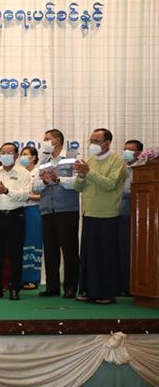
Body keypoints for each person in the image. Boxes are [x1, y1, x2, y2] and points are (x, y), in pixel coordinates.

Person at [73, 128, 127, 304]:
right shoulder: (89, 161)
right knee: (89, 256)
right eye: (91, 140)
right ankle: (89, 290)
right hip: (89, 212)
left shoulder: (117, 161)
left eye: (96, 141)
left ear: (107, 143)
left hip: (108, 214)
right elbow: (78, 187)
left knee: (106, 256)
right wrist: (81, 176)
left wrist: (88, 172)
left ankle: (107, 293)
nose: (92, 144)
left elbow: (110, 184)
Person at [32, 129, 80, 298]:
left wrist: (59, 179)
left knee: (69, 250)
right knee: (50, 250)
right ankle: (52, 287)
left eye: (47, 139)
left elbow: (79, 182)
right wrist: (45, 182)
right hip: (47, 210)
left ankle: (71, 287)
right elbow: (35, 186)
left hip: (67, 209)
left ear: (58, 140)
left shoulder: (73, 156)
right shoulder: (44, 161)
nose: (44, 142)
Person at [0, 142, 32, 300]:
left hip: (16, 216)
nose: (5, 156)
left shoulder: (24, 173)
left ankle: (14, 288)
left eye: (9, 153)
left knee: (15, 254)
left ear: (16, 155)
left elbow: (25, 195)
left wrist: (7, 191)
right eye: (2, 153)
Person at [118, 139, 144, 296]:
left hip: (135, 216)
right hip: (117, 214)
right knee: (120, 252)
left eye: (130, 149)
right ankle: (120, 285)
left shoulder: (143, 169)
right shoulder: (120, 168)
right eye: (124, 149)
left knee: (132, 252)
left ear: (139, 153)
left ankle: (132, 285)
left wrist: (118, 192)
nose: (126, 152)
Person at [20, 145, 43, 290]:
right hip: (19, 210)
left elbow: (43, 195)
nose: (22, 157)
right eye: (21, 154)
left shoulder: (39, 172)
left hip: (34, 210)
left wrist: (27, 196)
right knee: (20, 244)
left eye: (26, 154)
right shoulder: (19, 172)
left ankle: (32, 278)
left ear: (33, 157)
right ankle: (20, 277)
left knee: (33, 242)